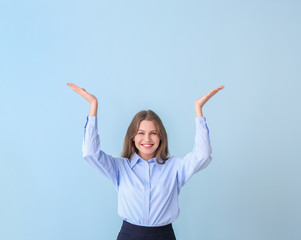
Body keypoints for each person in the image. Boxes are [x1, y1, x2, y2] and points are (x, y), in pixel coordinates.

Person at [67, 83, 224, 240]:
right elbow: (90, 153)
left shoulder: (175, 167)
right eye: (141, 133)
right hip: (129, 235)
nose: (147, 139)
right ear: (133, 137)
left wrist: (198, 109)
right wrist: (93, 105)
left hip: (164, 236)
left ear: (160, 136)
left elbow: (203, 155)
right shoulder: (120, 168)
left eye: (153, 133)